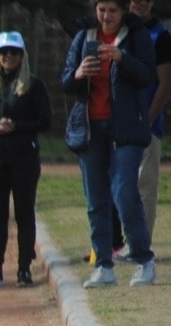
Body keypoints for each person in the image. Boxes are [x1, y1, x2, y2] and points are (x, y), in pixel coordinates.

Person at [63, 0, 157, 288]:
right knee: (96, 199)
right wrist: (79, 73)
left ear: (124, 11)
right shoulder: (84, 37)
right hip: (91, 129)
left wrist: (121, 58)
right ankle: (103, 265)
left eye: (112, 11)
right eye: (101, 10)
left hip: (125, 130)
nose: (106, 17)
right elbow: (66, 81)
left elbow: (147, 76)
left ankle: (143, 259)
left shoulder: (137, 36)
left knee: (124, 192)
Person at [0, 31, 53, 288]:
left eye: (15, 52)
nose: (9, 57)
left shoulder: (33, 85)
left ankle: (23, 270)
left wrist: (16, 125)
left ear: (22, 55)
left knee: (24, 212)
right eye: (4, 52)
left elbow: (44, 121)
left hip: (24, 157)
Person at [129, 0, 171, 254]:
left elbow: (164, 86)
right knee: (118, 185)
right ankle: (115, 244)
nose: (141, 3)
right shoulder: (120, 31)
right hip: (118, 124)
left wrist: (147, 120)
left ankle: (140, 246)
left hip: (147, 125)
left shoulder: (161, 37)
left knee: (144, 186)